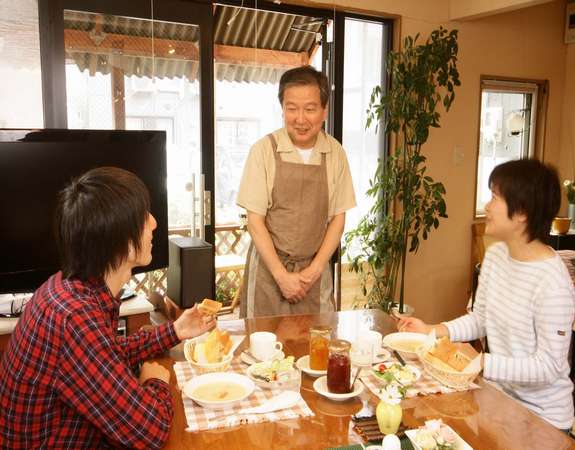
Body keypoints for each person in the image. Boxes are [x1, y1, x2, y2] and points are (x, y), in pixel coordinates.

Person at [0, 167, 216, 449]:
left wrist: (176, 329)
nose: (153, 223)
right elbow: (150, 431)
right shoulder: (73, 318)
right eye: (143, 217)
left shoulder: (71, 287)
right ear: (119, 242)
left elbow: (107, 355)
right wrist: (155, 382)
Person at [398, 159, 575, 431]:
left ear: (522, 213)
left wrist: (480, 363)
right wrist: (430, 331)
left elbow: (548, 367)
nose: (487, 206)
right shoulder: (495, 256)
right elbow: (480, 319)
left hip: (543, 420)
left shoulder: (553, 282)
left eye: (495, 197)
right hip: (498, 401)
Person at [237, 65, 356, 318]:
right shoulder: (264, 150)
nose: (300, 119)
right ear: (282, 109)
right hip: (269, 275)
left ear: (324, 110)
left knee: (316, 348)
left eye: (310, 109)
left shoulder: (335, 153)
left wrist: (314, 271)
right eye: (292, 109)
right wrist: (282, 277)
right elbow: (255, 221)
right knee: (262, 353)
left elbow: (338, 218)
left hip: (315, 271)